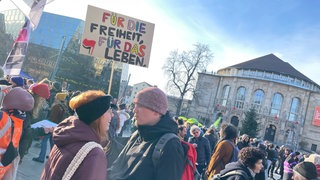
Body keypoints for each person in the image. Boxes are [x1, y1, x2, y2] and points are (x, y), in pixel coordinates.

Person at [107, 87, 184, 180]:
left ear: (156, 111)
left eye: (140, 105)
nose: (134, 110)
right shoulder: (137, 134)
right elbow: (116, 168)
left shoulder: (170, 145)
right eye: (135, 105)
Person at [41, 90, 113, 180]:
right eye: (108, 111)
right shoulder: (94, 153)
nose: (112, 115)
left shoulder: (66, 134)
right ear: (98, 117)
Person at [33, 92, 70, 163]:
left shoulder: (56, 107)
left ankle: (41, 157)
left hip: (51, 125)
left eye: (56, 97)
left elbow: (52, 118)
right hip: (57, 126)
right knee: (52, 142)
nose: (55, 97)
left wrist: (46, 124)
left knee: (44, 141)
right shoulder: (64, 107)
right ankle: (53, 156)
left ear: (58, 98)